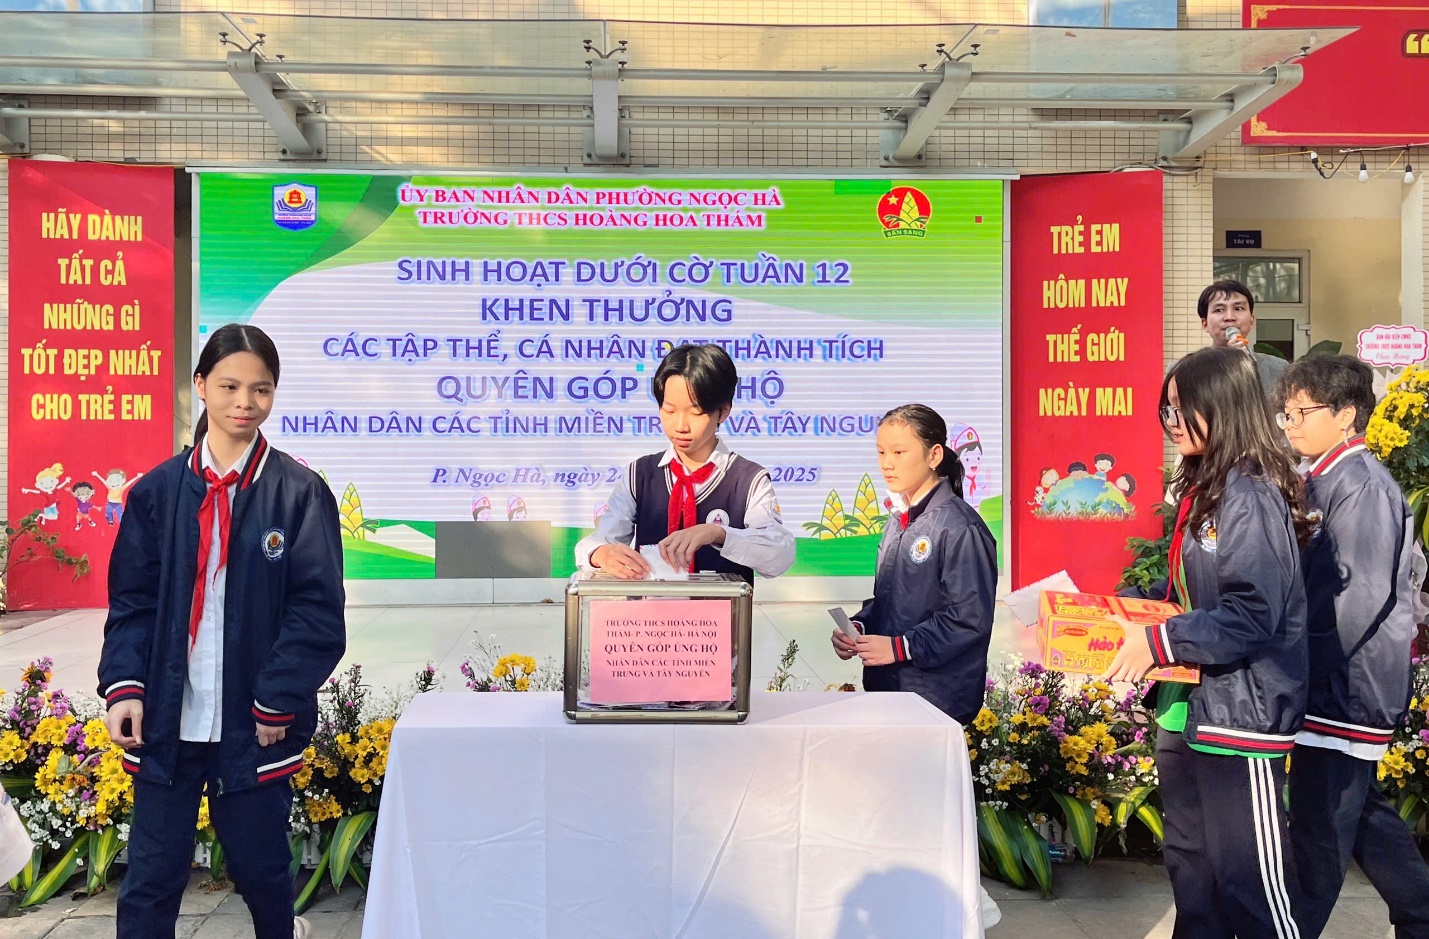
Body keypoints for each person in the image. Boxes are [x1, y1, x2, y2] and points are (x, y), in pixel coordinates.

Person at [98, 323, 346, 939]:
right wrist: (126, 686)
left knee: (262, 871)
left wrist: (277, 697)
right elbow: (131, 602)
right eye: (230, 386)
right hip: (166, 721)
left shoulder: (299, 494)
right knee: (151, 877)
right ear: (201, 386)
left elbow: (316, 610)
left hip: (254, 723)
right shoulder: (157, 494)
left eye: (261, 389)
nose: (245, 402)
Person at [1103, 345, 1310, 939]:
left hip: (1240, 715)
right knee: (1193, 876)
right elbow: (1189, 594)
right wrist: (1113, 616)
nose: (1171, 421)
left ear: (1221, 405)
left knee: (1252, 887)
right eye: (1165, 409)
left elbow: (1252, 612)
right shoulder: (1207, 487)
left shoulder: (1251, 492)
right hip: (1187, 710)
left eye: (1181, 407)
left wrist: (1161, 640)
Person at [1272, 355, 1429, 939]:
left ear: (1345, 415)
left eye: (1302, 412)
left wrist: (1299, 668)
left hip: (1345, 685)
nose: (1290, 423)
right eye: (1286, 413)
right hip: (1335, 681)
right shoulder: (1323, 475)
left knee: (1318, 834)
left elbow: (1357, 599)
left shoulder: (1359, 484)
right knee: (1362, 817)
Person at [831, 404, 997, 726]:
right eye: (881, 452)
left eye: (899, 452)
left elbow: (969, 619)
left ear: (934, 456)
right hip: (888, 690)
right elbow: (892, 601)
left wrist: (900, 647)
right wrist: (859, 628)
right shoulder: (897, 520)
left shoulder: (960, 527)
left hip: (935, 699)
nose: (887, 463)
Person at [575, 343, 795, 584]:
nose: (680, 426)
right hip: (649, 609)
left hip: (722, 609)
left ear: (723, 411)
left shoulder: (748, 480)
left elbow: (780, 555)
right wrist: (601, 553)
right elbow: (603, 538)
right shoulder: (640, 475)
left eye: (696, 413)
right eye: (669, 411)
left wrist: (718, 534)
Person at [1198, 279, 1287, 394]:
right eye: (1219, 310)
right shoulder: (1185, 370)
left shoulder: (1277, 368)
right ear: (1205, 324)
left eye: (1238, 308)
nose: (1229, 317)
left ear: (1252, 321)